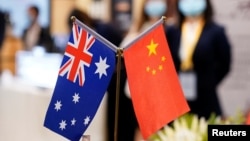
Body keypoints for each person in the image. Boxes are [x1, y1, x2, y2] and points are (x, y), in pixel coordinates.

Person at [166, 0, 232, 119]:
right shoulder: (172, 31)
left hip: (206, 97)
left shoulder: (216, 31)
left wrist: (209, 82)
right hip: (177, 98)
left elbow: (225, 64)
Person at [66, 8, 124, 141]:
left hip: (117, 80)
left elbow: (120, 52)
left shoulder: (103, 29)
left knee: (116, 119)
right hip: (105, 83)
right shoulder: (89, 34)